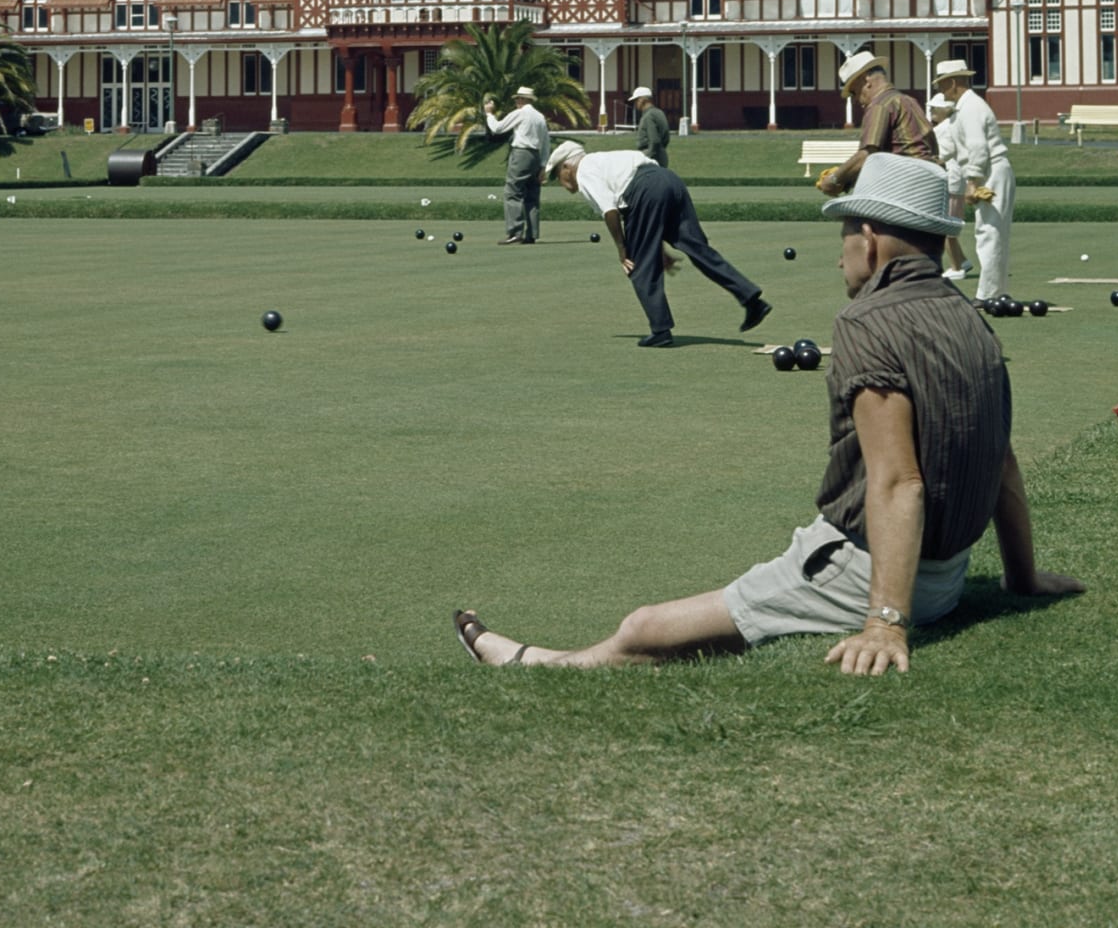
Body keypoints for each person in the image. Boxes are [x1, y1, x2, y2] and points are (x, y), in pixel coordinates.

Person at [454, 154, 1085, 673]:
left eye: (845, 234)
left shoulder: (869, 320)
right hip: (946, 575)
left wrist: (885, 623)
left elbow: (898, 482)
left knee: (645, 629)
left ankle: (533, 665)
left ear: (869, 237)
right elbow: (999, 457)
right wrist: (1022, 579)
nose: (840, 254)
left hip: (868, 573)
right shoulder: (966, 316)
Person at [543, 139, 769, 347]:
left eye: (557, 175)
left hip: (644, 191)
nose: (560, 183)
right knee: (699, 250)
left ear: (567, 167)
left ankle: (661, 331)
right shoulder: (605, 159)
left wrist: (623, 249)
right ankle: (751, 299)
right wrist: (657, 248)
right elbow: (650, 210)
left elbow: (610, 211)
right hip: (669, 180)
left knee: (638, 265)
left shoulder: (584, 172)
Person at [934, 58, 1013, 308]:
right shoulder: (963, 108)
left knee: (989, 232)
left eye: (943, 84)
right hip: (988, 171)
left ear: (954, 82)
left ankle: (988, 294)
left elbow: (978, 147)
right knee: (989, 232)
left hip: (991, 172)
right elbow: (954, 147)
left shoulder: (971, 108)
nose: (941, 90)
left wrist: (972, 182)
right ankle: (994, 291)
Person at [818, 51, 938, 199]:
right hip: (930, 186)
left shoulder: (879, 104)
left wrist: (834, 179)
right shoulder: (909, 101)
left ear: (866, 81)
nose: (856, 100)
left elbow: (868, 154)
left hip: (903, 188)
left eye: (854, 92)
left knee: (855, 219)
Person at [482, 86, 550, 246]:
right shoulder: (540, 117)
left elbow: (497, 128)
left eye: (518, 98)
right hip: (536, 155)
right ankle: (532, 234)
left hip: (521, 154)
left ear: (524, 100)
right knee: (532, 195)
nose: (516, 101)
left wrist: (489, 113)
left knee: (513, 191)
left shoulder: (521, 113)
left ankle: (515, 231)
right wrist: (543, 165)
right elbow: (546, 142)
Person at [929, 96, 973, 282]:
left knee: (946, 227)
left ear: (944, 111)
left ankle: (956, 268)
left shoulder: (945, 129)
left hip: (951, 180)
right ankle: (962, 261)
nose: (931, 113)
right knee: (949, 225)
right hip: (955, 180)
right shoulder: (952, 125)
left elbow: (943, 155)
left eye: (934, 109)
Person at [630, 85, 670, 167]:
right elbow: (666, 138)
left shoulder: (648, 116)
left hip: (651, 158)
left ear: (641, 100)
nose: (635, 104)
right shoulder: (659, 112)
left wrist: (645, 158)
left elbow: (654, 140)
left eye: (636, 101)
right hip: (661, 155)